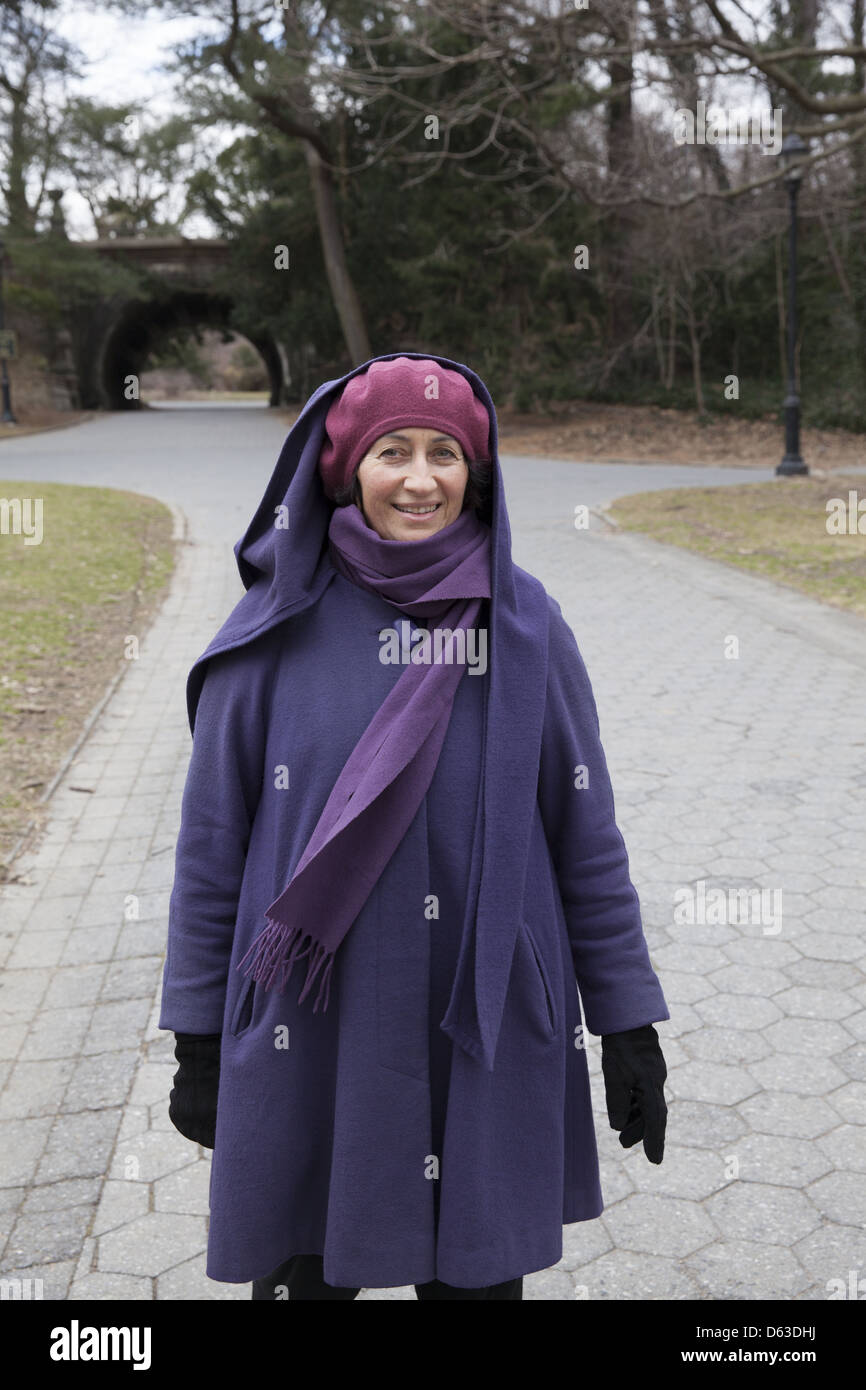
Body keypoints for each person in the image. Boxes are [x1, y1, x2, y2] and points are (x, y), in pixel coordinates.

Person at [159, 352, 670, 1301]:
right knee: (304, 1275)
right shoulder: (271, 630)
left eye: (446, 452)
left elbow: (585, 835)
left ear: (475, 471)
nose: (422, 478)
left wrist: (629, 1021)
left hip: (478, 1020)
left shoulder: (526, 627)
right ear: (346, 465)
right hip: (309, 1030)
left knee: (475, 1282)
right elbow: (210, 850)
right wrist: (193, 1034)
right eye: (393, 450)